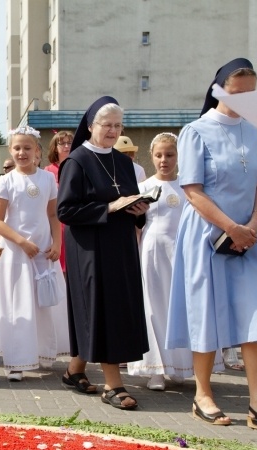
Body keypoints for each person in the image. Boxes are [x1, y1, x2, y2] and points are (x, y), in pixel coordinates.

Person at [166, 58, 257, 435]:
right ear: (219, 90)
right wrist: (230, 227)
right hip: (207, 233)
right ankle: (203, 395)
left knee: (255, 314)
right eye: (238, 93)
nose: (245, 100)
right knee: (206, 310)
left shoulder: (253, 132)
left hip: (247, 236)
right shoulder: (196, 130)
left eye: (251, 94)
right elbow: (192, 190)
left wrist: (252, 224)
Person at [56, 96, 150, 410]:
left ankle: (74, 370)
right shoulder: (77, 161)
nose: (112, 131)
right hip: (90, 250)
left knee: (108, 311)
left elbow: (132, 204)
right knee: (102, 311)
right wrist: (109, 207)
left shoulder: (123, 162)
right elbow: (66, 210)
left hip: (120, 247)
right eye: (106, 125)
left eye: (117, 125)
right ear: (91, 126)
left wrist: (137, 210)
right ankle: (114, 386)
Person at [127, 133, 224, 389]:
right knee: (154, 309)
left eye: (169, 155)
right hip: (152, 252)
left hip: (183, 253)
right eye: (159, 155)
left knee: (180, 309)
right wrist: (138, 215)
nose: (164, 160)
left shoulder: (189, 188)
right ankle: (156, 369)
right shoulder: (143, 187)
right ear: (152, 157)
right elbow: (136, 226)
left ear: (178, 156)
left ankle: (181, 365)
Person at [0, 126, 62, 381]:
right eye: (17, 148)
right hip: (16, 251)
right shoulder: (7, 181)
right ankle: (16, 360)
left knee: (42, 303)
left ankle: (42, 352)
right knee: (17, 303)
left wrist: (57, 243)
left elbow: (52, 214)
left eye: (27, 148)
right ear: (11, 151)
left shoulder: (47, 179)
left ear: (38, 151)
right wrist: (22, 242)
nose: (22, 152)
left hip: (43, 250)